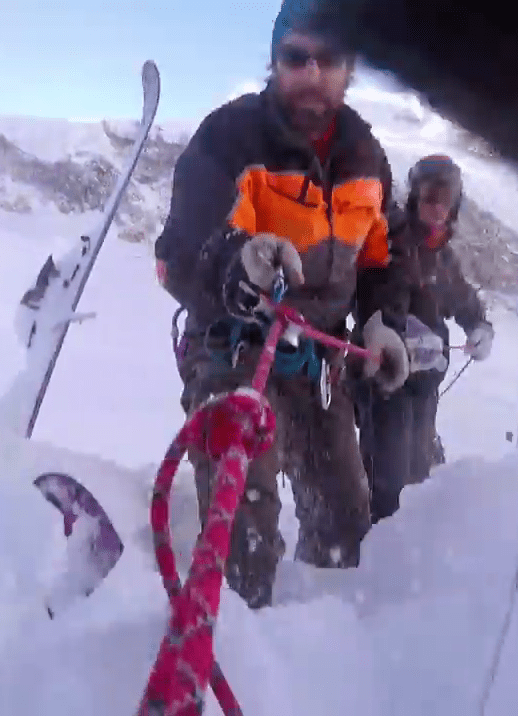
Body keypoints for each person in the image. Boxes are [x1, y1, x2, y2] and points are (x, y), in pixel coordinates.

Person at [153, 2, 413, 610]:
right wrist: (236, 263)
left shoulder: (366, 159)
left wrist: (382, 321)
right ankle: (235, 645)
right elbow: (179, 254)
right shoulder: (229, 138)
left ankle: (320, 665)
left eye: (330, 59)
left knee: (346, 532)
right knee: (244, 527)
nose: (312, 72)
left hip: (318, 363)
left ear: (350, 69)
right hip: (234, 350)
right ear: (274, 62)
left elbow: (384, 256)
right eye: (297, 56)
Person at [356, 155, 494, 524]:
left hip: (424, 383)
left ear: (454, 205)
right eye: (429, 195)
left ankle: (406, 549)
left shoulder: (442, 256)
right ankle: (375, 554)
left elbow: (462, 298)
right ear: (415, 196)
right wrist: (394, 332)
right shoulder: (390, 238)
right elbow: (378, 296)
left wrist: (479, 325)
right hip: (387, 379)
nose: (435, 207)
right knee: (387, 476)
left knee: (417, 472)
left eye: (444, 198)